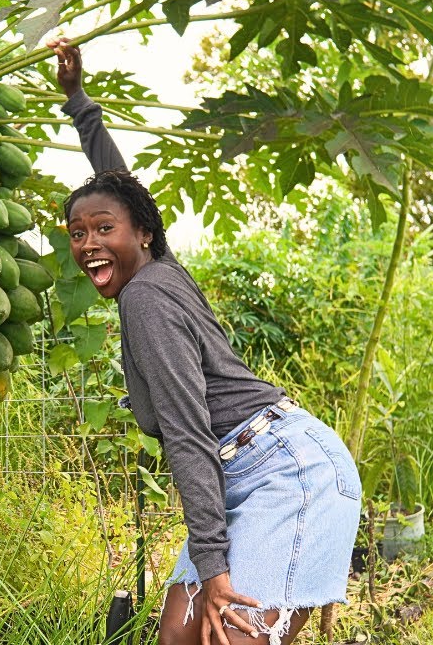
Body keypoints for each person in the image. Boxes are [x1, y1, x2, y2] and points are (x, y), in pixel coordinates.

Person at [46, 38, 361, 645]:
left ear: (142, 234)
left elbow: (189, 432)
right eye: (77, 233)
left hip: (286, 471)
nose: (87, 244)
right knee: (177, 638)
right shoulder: (157, 268)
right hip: (241, 468)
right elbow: (120, 184)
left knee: (231, 636)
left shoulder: (147, 297)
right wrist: (79, 102)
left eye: (103, 229)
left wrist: (214, 570)